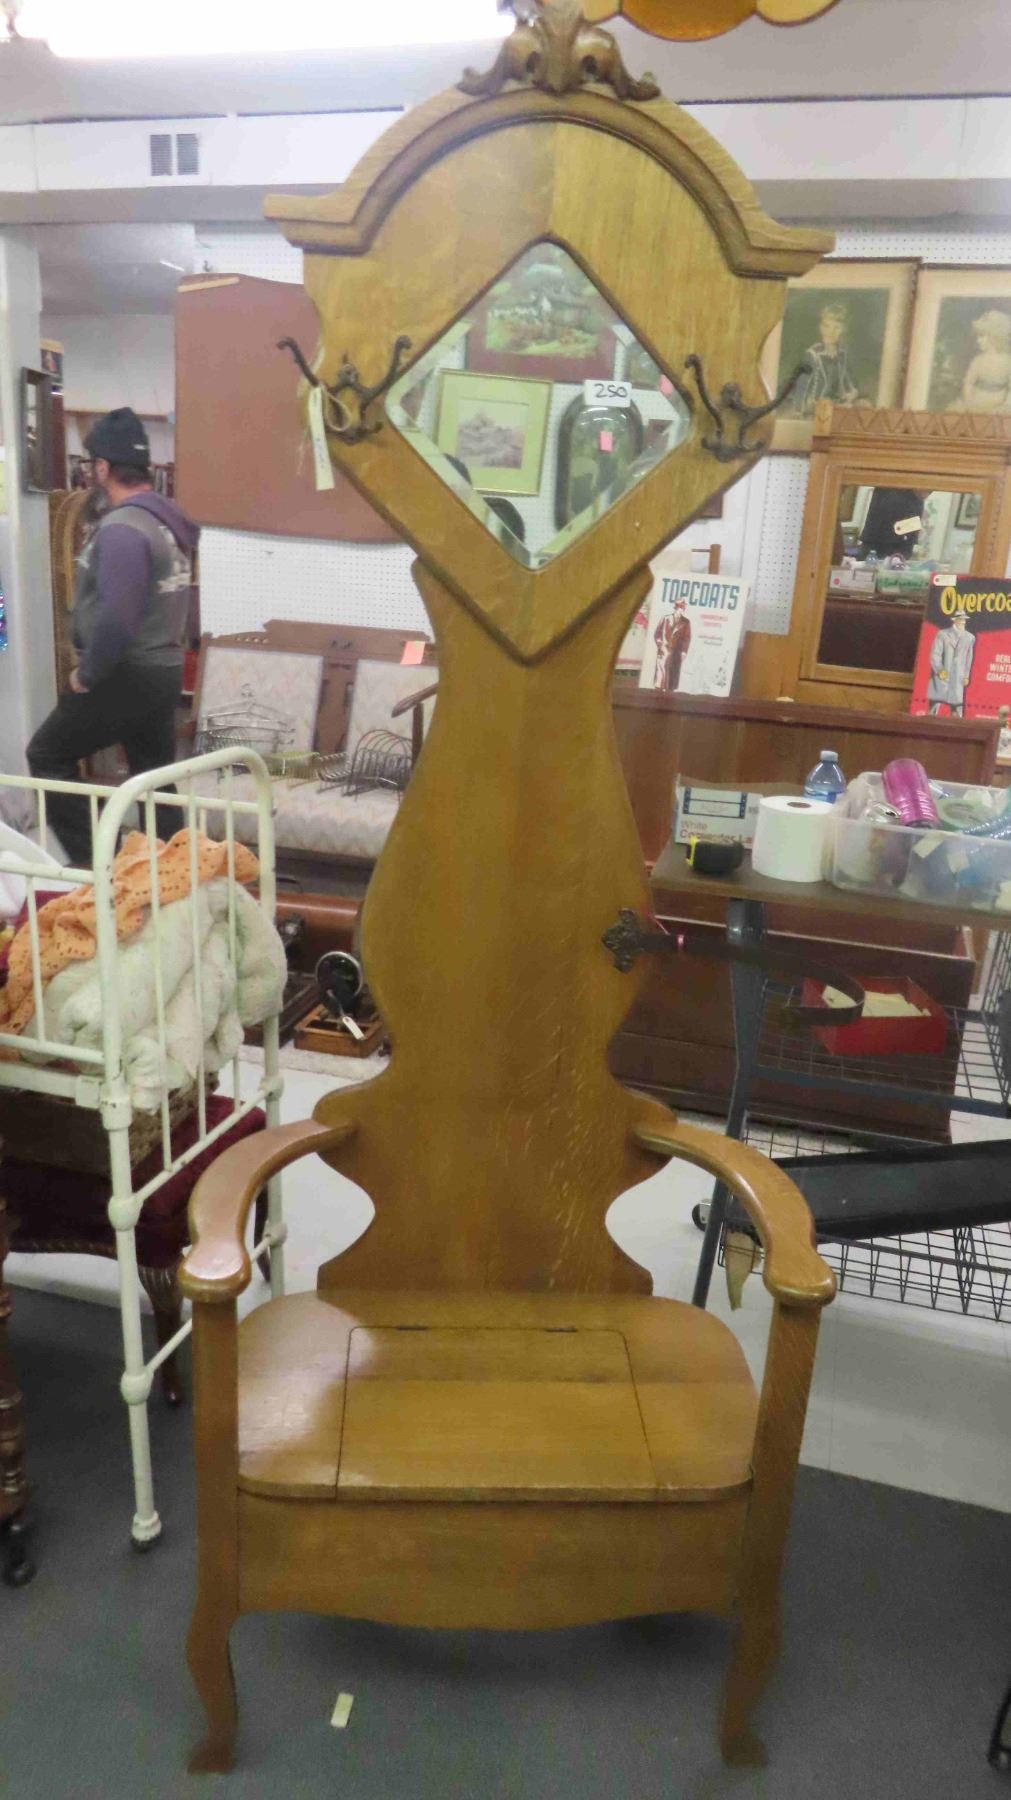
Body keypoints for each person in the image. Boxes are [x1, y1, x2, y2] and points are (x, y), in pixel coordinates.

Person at [27, 407, 199, 867]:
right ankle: (176, 875)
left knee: (47, 754)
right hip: (161, 671)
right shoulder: (165, 523)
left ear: (102, 467)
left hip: (126, 671)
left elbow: (118, 619)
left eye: (92, 465)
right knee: (153, 780)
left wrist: (87, 674)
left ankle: (98, 869)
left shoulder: (124, 529)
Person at [796, 302, 860, 416]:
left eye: (837, 327)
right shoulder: (813, 354)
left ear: (843, 330)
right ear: (821, 328)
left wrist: (852, 393)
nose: (831, 332)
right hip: (815, 407)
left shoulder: (842, 354)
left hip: (836, 404)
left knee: (863, 406)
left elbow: (848, 382)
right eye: (827, 326)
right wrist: (802, 409)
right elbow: (802, 387)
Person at [949, 309, 1011, 414]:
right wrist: (969, 401)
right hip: (976, 401)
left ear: (994, 336)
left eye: (982, 336)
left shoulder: (1008, 361)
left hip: (998, 404)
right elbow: (968, 383)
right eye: (978, 336)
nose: (978, 340)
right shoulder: (978, 361)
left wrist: (1006, 405)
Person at [928, 611, 975, 717]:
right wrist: (939, 670)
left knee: (957, 709)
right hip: (942, 676)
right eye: (960, 619)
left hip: (958, 677)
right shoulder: (943, 634)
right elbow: (935, 654)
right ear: (955, 620)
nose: (963, 621)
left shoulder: (969, 637)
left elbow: (969, 658)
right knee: (933, 708)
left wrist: (966, 676)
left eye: (964, 619)